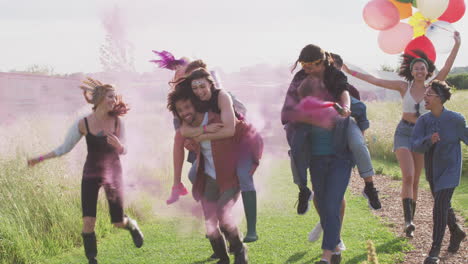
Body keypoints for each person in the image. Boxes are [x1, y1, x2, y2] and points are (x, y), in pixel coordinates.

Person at [342, 31, 461, 237]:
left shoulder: (432, 86)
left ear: (427, 70)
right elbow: (375, 80)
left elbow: (447, 68)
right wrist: (350, 71)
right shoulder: (402, 86)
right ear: (411, 71)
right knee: (408, 175)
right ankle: (408, 222)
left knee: (415, 181)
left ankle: (410, 220)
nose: (419, 71)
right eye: (416, 68)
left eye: (422, 68)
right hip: (404, 132)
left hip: (422, 136)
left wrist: (456, 45)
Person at [27, 78, 144, 264]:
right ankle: (92, 258)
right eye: (110, 96)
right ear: (99, 99)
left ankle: (132, 225)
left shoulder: (117, 122)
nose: (114, 100)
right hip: (91, 174)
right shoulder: (83, 124)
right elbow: (64, 148)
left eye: (115, 96)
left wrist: (120, 146)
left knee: (117, 222)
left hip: (113, 174)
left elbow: (125, 149)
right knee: (88, 221)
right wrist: (39, 159)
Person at [167, 86, 261, 264]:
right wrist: (176, 182)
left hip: (229, 176)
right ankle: (223, 258)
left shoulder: (218, 118)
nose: (185, 112)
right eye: (180, 110)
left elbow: (243, 130)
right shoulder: (186, 127)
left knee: (223, 214)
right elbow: (178, 146)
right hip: (208, 177)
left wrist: (249, 160)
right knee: (210, 222)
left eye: (187, 107)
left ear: (195, 104)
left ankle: (240, 251)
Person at [283, 44, 354, 264]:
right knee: (323, 201)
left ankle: (329, 252)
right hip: (314, 151)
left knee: (334, 201)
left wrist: (345, 108)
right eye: (303, 65)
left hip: (339, 150)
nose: (307, 70)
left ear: (322, 62)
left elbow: (344, 92)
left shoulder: (335, 75)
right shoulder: (300, 78)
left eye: (311, 66)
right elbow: (288, 112)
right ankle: (333, 241)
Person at [412, 80, 467, 264]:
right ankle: (457, 232)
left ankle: (434, 250)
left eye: (429, 94)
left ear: (440, 98)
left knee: (439, 206)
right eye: (425, 93)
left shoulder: (456, 120)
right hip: (433, 171)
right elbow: (415, 145)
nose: (424, 97)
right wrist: (429, 139)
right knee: (443, 204)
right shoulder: (423, 120)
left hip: (451, 170)